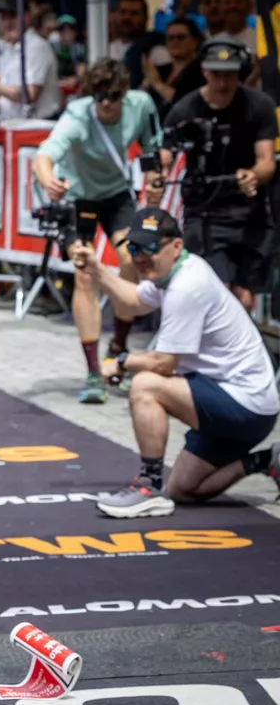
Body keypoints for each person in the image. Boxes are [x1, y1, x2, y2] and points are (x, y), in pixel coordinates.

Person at [68, 208, 279, 518]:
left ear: (176, 246)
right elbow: (134, 301)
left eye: (150, 248)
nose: (141, 257)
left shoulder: (187, 286)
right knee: (184, 489)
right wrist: (97, 270)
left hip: (246, 404)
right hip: (235, 398)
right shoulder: (175, 271)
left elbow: (164, 363)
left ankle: (148, 488)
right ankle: (265, 461)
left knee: (145, 386)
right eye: (134, 248)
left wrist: (122, 362)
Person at [33, 57, 163, 404]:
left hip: (117, 194)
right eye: (100, 95)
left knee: (132, 260)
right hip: (78, 197)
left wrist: (154, 179)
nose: (106, 103)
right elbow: (44, 155)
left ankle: (118, 349)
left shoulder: (141, 105)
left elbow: (153, 149)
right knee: (84, 273)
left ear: (124, 94)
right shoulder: (78, 115)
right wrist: (49, 182)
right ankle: (93, 371)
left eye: (113, 96)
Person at [156, 39, 276, 312]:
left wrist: (253, 175)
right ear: (204, 71)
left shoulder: (258, 105)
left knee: (244, 297)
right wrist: (158, 177)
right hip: (205, 212)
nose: (224, 82)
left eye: (230, 74)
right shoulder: (184, 109)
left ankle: (236, 351)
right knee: (217, 292)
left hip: (249, 213)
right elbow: (165, 156)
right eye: (217, 74)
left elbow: (267, 162)